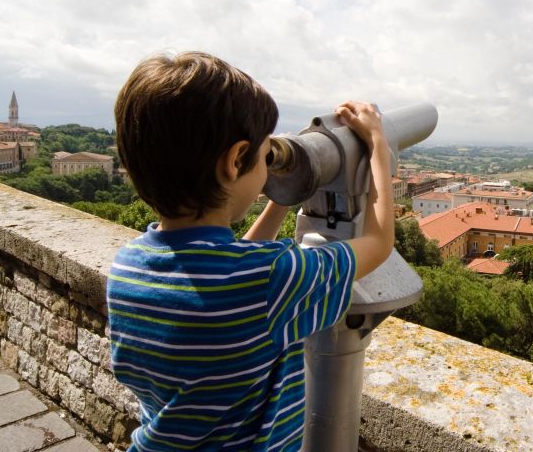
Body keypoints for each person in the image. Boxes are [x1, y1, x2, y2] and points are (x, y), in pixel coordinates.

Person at [107, 51, 394, 451]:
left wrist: (286, 193)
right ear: (234, 160)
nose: (268, 168)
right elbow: (378, 245)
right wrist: (379, 147)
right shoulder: (274, 279)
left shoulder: (127, 268)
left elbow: (233, 267)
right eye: (263, 157)